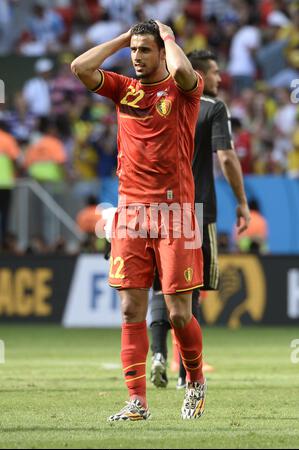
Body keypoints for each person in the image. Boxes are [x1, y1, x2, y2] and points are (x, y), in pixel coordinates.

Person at [71, 19, 206, 421]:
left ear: (161, 52)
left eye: (144, 50)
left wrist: (166, 36)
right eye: (133, 51)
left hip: (175, 212)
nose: (136, 57)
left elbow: (183, 70)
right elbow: (80, 67)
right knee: (131, 310)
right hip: (130, 212)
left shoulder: (183, 91)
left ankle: (196, 381)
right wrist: (121, 38)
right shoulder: (123, 89)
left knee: (179, 313)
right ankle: (137, 401)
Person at [150, 50, 250, 389]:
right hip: (196, 208)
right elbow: (226, 156)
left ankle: (158, 354)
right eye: (216, 72)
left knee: (160, 286)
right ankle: (186, 374)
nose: (222, 79)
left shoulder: (161, 102)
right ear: (201, 75)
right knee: (189, 290)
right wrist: (242, 201)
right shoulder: (212, 108)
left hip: (158, 208)